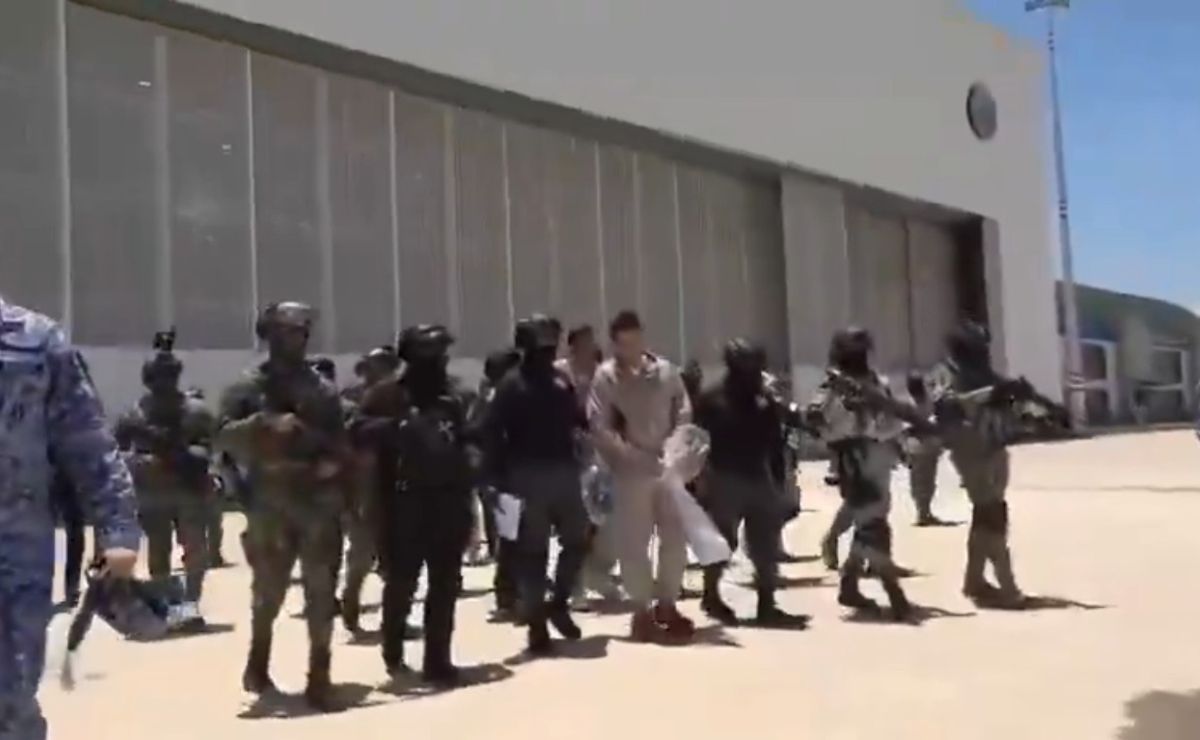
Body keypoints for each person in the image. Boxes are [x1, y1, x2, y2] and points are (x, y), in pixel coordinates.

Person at [0, 296, 140, 738]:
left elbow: (86, 437)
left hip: (13, 550)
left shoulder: (34, 340)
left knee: (11, 692)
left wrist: (117, 529)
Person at [216, 302, 346, 710]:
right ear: (269, 334)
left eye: (302, 331)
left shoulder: (321, 389)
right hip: (269, 501)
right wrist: (262, 426)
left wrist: (331, 463)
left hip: (315, 499)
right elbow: (221, 437)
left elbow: (340, 441)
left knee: (321, 590)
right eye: (289, 331)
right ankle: (258, 662)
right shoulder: (248, 386)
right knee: (268, 592)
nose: (297, 338)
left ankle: (320, 674)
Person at [353, 325, 474, 685]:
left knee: (445, 584)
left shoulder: (452, 397)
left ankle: (438, 660)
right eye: (434, 354)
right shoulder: (387, 394)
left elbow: (466, 443)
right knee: (402, 582)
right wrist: (397, 429)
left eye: (443, 353)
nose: (442, 360)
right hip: (403, 503)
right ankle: (393, 651)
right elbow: (356, 432)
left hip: (448, 500)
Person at [589, 310, 694, 643]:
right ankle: (641, 609)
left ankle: (667, 603)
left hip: (669, 466)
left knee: (675, 538)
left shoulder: (666, 372)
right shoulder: (606, 377)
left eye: (635, 341)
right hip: (631, 471)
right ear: (615, 344)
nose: (631, 349)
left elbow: (683, 410)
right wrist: (632, 455)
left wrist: (676, 446)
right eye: (624, 344)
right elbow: (600, 425)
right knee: (634, 543)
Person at [487, 315, 590, 655]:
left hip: (563, 471)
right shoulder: (511, 385)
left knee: (578, 541)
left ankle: (558, 603)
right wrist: (496, 478)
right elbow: (491, 431)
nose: (549, 350)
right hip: (526, 475)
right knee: (533, 554)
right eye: (543, 343)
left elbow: (579, 420)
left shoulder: (560, 380)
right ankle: (536, 626)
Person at [806, 327, 917, 620]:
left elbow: (891, 418)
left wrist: (899, 441)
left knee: (870, 523)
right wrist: (849, 419)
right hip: (855, 461)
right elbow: (817, 424)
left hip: (879, 456)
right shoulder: (833, 387)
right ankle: (894, 593)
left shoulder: (875, 381)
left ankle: (849, 583)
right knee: (874, 526)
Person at [695, 339, 808, 627]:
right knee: (723, 543)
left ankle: (767, 605)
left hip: (758, 476)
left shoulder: (764, 401)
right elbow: (695, 440)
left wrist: (778, 481)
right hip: (723, 478)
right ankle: (711, 596)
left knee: (765, 545)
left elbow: (774, 443)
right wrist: (700, 479)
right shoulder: (712, 400)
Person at [928, 321, 1028, 608]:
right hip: (970, 451)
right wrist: (989, 394)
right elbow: (946, 406)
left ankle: (974, 581)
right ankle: (1008, 587)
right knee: (991, 514)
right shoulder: (946, 373)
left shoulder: (984, 372)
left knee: (987, 514)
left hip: (994, 447)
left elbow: (1006, 403)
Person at [114, 330, 214, 613]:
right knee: (159, 551)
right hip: (152, 490)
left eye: (169, 376)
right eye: (158, 376)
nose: (164, 382)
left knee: (195, 549)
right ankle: (166, 606)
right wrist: (142, 462)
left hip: (188, 488)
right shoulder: (134, 414)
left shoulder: (195, 412)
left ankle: (190, 604)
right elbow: (116, 454)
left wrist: (188, 457)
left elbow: (209, 448)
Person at [557, 325, 622, 607]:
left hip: (602, 455)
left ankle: (597, 573)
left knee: (607, 519)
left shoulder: (605, 374)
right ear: (572, 346)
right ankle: (576, 586)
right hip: (570, 457)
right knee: (578, 524)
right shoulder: (560, 372)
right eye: (584, 342)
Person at [338, 347, 399, 635]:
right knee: (362, 555)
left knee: (393, 559)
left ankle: (393, 618)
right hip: (365, 487)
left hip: (392, 484)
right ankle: (350, 606)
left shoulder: (398, 396)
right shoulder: (353, 401)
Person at [471, 347, 522, 618]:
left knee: (513, 537)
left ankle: (513, 592)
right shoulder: (494, 400)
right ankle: (508, 595)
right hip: (502, 477)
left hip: (510, 475)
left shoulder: (498, 398)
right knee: (510, 539)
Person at [905, 371, 947, 526]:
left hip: (921, 447)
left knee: (921, 481)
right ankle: (923, 513)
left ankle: (924, 512)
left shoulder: (914, 402)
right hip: (923, 446)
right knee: (924, 481)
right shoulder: (917, 403)